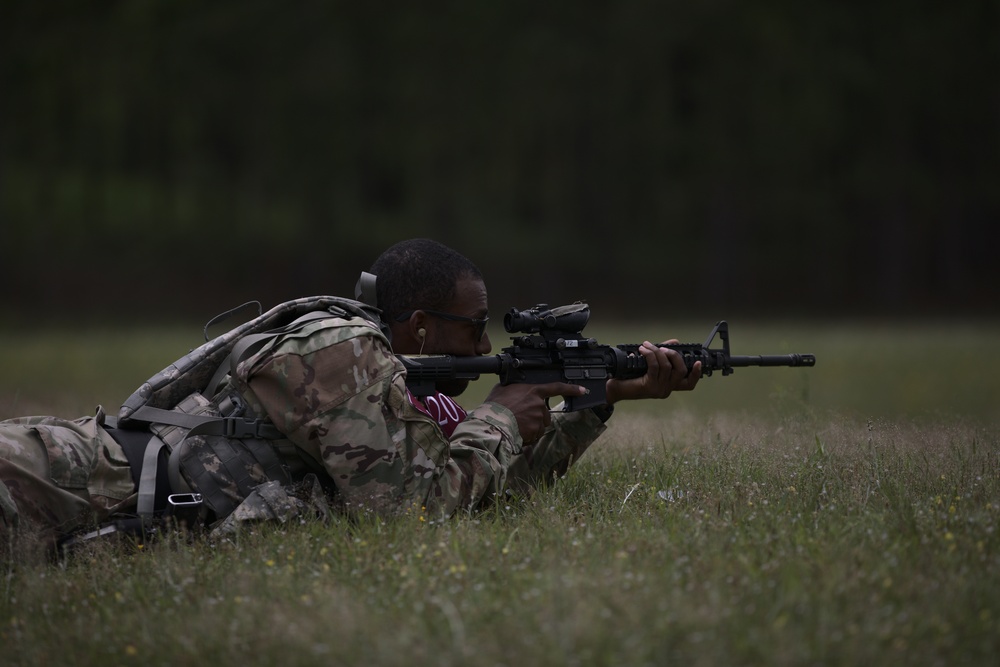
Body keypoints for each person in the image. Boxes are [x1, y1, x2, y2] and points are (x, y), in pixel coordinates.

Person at [0, 239, 701, 553]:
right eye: (473, 330)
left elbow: (476, 491)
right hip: (58, 476)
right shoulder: (342, 351)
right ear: (421, 325)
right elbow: (413, 508)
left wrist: (598, 399)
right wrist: (497, 413)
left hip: (103, 493)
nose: (482, 348)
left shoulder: (382, 373)